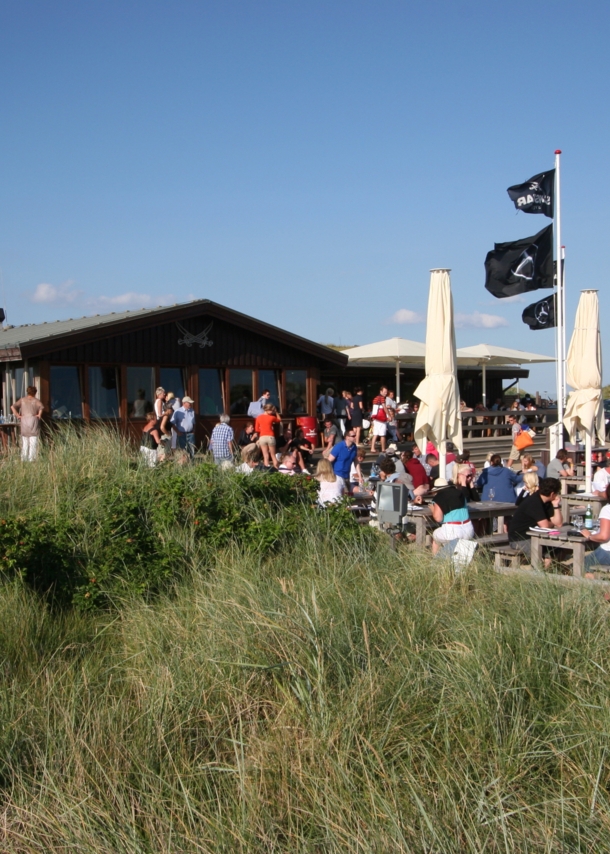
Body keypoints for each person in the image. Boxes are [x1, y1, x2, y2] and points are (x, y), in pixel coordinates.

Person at [507, 477, 563, 559]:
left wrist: (555, 505)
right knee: (546, 554)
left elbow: (559, 523)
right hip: (519, 539)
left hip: (533, 537)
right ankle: (540, 570)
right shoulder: (534, 501)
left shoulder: (547, 502)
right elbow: (545, 525)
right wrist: (551, 522)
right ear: (552, 494)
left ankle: (547, 570)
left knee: (559, 549)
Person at [428, 478, 474, 556]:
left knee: (435, 535)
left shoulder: (439, 497)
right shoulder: (460, 493)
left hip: (452, 531)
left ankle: (435, 560)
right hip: (469, 530)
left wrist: (433, 510)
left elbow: (438, 518)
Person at [11, 385, 45, 462]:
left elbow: (13, 406)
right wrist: (39, 415)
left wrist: (17, 415)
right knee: (33, 441)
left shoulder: (22, 400)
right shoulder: (36, 400)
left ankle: (24, 458)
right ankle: (31, 459)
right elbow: (41, 407)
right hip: (33, 420)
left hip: (24, 420)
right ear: (35, 392)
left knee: (25, 442)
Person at [582, 484, 610, 573]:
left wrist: (589, 536)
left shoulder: (607, 509)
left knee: (581, 564)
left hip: (607, 552)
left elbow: (604, 536)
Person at [254, 404, 281, 469]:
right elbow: (279, 420)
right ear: (267, 410)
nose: (272, 412)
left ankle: (266, 471)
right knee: (273, 455)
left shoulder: (258, 417)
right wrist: (276, 412)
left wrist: (262, 428)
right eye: (271, 410)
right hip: (270, 437)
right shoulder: (272, 417)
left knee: (265, 456)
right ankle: (276, 469)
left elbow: (257, 429)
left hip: (262, 437)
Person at [370, 386, 390, 455]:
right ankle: (383, 448)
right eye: (384, 392)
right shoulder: (382, 398)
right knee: (383, 434)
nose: (385, 393)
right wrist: (388, 416)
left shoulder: (375, 398)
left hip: (375, 418)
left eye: (386, 392)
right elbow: (384, 408)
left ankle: (372, 448)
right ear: (380, 391)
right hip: (381, 418)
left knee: (375, 433)